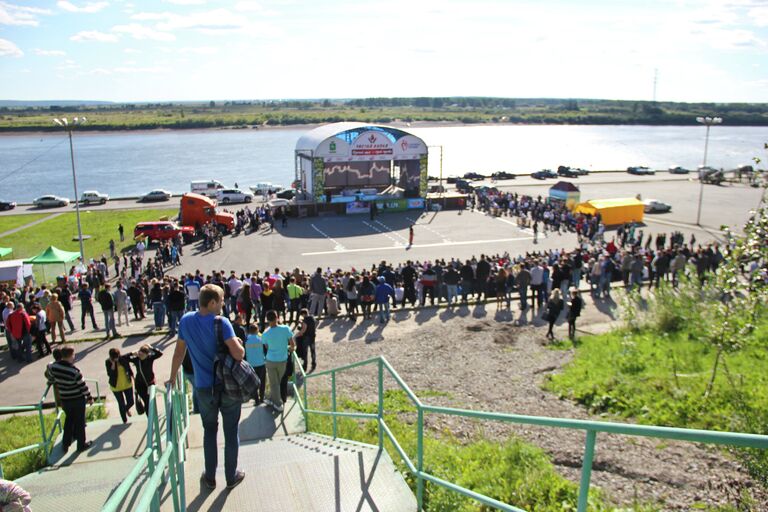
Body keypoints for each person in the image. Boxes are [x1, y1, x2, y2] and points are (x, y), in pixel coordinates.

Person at [167, 284, 246, 490]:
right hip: (227, 386)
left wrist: (172, 377)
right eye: (220, 301)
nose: (222, 305)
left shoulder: (185, 321)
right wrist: (237, 342)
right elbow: (238, 355)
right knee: (230, 432)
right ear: (211, 303)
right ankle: (231, 476)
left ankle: (210, 477)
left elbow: (178, 353)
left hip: (203, 388)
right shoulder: (222, 322)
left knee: (209, 431)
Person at [48, 345, 94, 453]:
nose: (74, 357)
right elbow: (83, 386)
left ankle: (65, 444)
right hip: (77, 399)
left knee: (69, 420)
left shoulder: (54, 367)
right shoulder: (75, 371)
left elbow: (52, 378)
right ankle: (81, 445)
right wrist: (90, 398)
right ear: (70, 355)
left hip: (65, 399)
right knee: (79, 422)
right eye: (73, 354)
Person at [262, 309, 295, 412]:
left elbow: (267, 347)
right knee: (278, 382)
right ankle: (276, 401)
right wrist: (290, 348)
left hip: (271, 360)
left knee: (274, 383)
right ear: (277, 318)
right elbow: (292, 344)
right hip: (283, 360)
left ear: (267, 320)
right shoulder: (286, 329)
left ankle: (275, 402)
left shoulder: (265, 333)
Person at [128, 345, 163, 416]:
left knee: (150, 401)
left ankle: (151, 416)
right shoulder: (136, 360)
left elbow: (160, 353)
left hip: (150, 384)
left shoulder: (150, 358)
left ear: (147, 354)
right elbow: (122, 358)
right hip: (140, 385)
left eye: (143, 355)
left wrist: (151, 347)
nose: (141, 356)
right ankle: (150, 418)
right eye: (140, 354)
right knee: (147, 401)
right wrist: (131, 353)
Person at [105, 348, 134, 423]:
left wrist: (133, 377)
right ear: (111, 357)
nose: (116, 358)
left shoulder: (123, 358)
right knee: (121, 403)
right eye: (114, 357)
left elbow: (129, 368)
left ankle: (126, 409)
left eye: (117, 356)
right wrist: (113, 364)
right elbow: (110, 374)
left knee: (131, 401)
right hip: (116, 386)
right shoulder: (108, 362)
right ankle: (124, 420)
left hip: (127, 384)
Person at [244, 324, 266, 404]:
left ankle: (256, 400)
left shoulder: (246, 340)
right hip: (261, 363)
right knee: (262, 382)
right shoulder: (261, 339)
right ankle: (262, 397)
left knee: (253, 383)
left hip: (251, 364)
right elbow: (265, 350)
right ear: (257, 330)